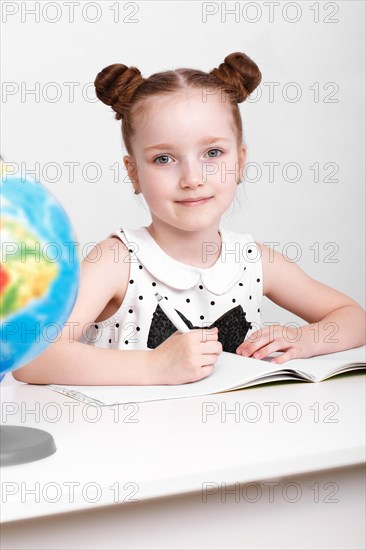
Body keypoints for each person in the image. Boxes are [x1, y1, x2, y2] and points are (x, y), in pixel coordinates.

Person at [13, 52, 366, 386]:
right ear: (134, 172)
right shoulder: (117, 260)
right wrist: (154, 366)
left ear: (240, 161)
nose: (192, 178)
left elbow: (353, 317)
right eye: (164, 159)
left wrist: (305, 339)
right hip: (132, 441)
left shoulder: (253, 260)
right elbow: (33, 360)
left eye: (213, 153)